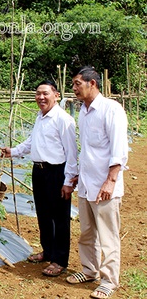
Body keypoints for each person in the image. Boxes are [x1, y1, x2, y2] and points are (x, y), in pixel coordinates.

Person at [1, 80, 78, 277]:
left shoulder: (63, 119)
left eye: (45, 93)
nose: (41, 97)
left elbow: (71, 153)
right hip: (39, 171)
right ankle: (48, 251)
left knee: (60, 217)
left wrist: (69, 181)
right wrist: (14, 151)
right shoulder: (40, 116)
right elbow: (32, 140)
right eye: (38, 94)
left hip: (56, 171)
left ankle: (60, 260)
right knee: (43, 214)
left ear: (56, 95)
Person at [66, 66, 128, 299]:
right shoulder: (83, 110)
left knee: (108, 235)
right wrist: (79, 174)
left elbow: (119, 149)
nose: (74, 88)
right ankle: (89, 270)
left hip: (105, 185)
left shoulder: (111, 109)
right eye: (73, 84)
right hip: (86, 182)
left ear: (93, 84)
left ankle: (109, 280)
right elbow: (89, 150)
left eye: (77, 83)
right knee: (87, 232)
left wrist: (111, 180)